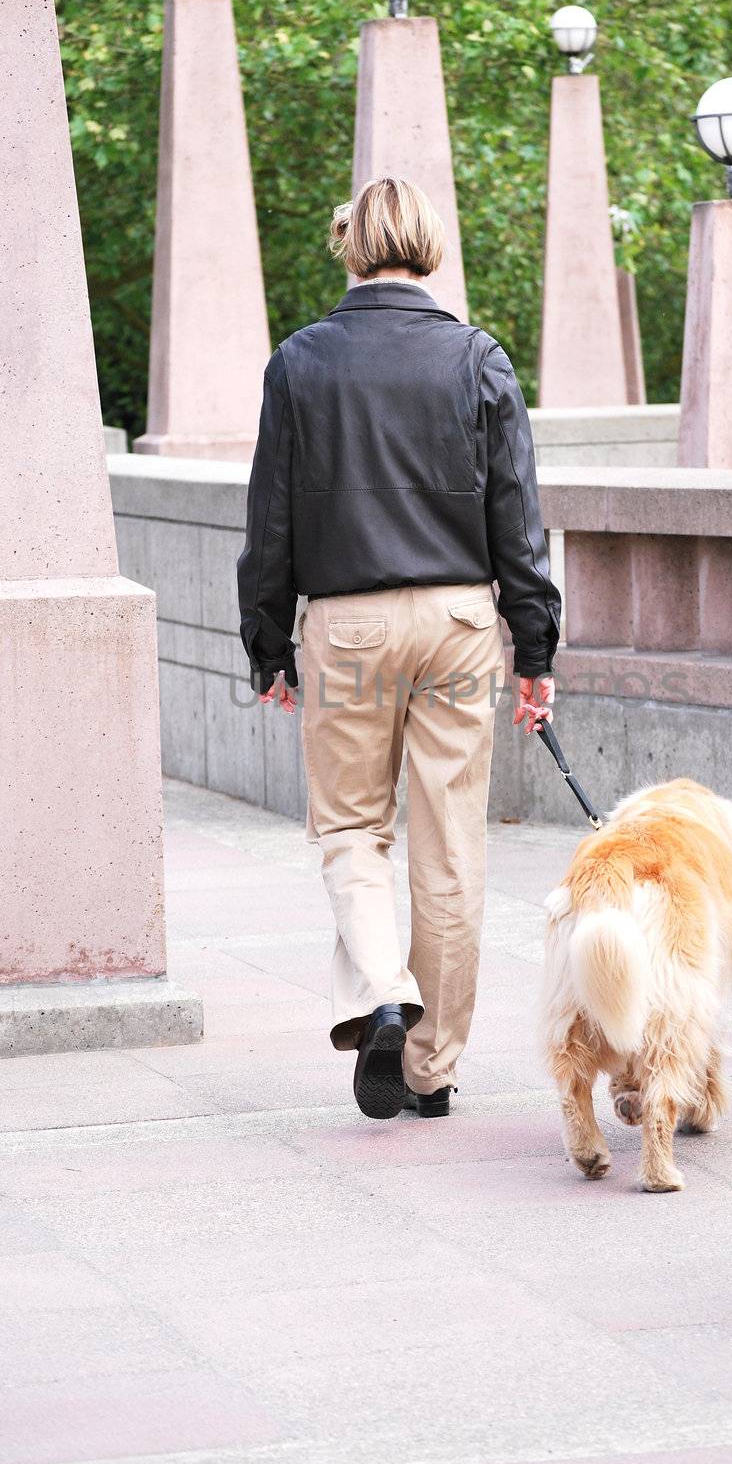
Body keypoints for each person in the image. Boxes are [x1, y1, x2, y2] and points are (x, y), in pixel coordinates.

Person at [237, 175, 560, 1121]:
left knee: (350, 828)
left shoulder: (299, 363)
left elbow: (270, 517)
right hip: (460, 621)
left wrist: (268, 642)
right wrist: (533, 648)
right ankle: (429, 1068)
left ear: (350, 246)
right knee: (449, 847)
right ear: (427, 245)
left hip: (345, 621)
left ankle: (382, 988)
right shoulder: (477, 358)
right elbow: (518, 519)